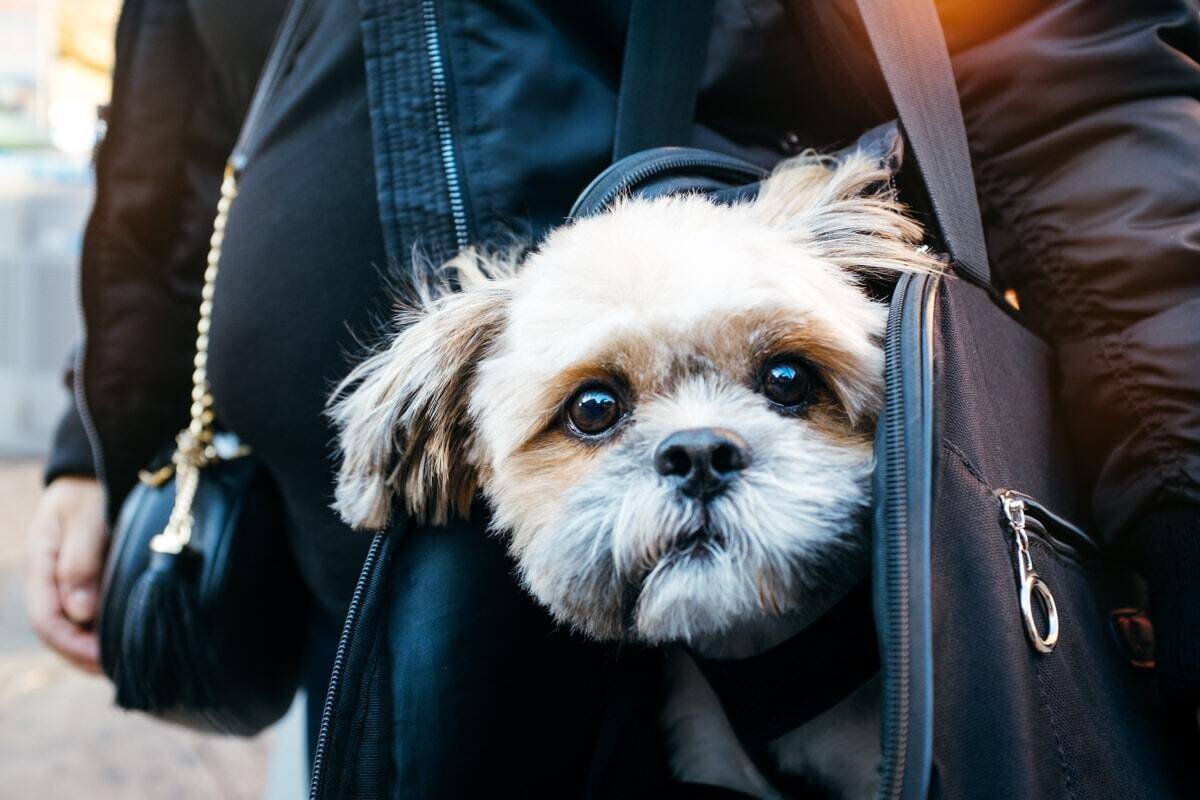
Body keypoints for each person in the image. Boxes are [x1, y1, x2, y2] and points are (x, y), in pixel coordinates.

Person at [25, 0, 1200, 793]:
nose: (696, 445)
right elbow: (167, 136)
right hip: (345, 568)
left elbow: (1068, 64)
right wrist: (103, 432)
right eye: (602, 408)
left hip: (868, 630)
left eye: (788, 380)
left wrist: (1179, 468)